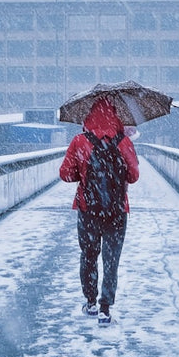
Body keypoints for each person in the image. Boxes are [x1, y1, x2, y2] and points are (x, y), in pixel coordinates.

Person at [59, 97, 139, 325]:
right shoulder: (123, 141)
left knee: (89, 255)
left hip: (88, 209)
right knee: (111, 260)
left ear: (88, 115)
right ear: (116, 115)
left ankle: (91, 301)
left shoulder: (80, 140)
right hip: (116, 210)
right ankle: (106, 308)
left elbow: (65, 173)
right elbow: (134, 176)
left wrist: (83, 176)